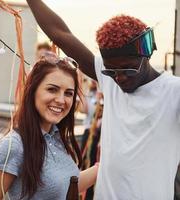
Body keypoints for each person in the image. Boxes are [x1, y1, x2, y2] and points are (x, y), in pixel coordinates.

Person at [26, 1, 180, 199]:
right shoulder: (110, 80)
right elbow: (60, 34)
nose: (119, 77)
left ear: (146, 55)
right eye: (111, 70)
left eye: (128, 69)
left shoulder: (173, 91)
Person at [0, 51, 99, 200]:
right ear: (32, 91)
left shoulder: (56, 136)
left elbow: (65, 185)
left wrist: (103, 167)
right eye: (52, 89)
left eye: (68, 93)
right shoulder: (13, 146)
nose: (61, 100)